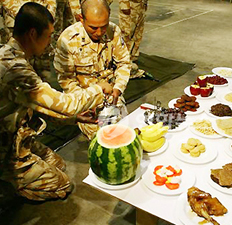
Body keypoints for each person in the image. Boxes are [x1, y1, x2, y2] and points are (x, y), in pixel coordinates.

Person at [0, 2, 112, 201]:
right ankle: (9, 180)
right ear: (33, 34)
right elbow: (66, 104)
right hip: (6, 143)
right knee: (61, 185)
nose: (50, 42)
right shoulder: (14, 69)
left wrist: (75, 119)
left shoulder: (13, 55)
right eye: (49, 35)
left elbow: (39, 105)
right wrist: (98, 88)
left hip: (17, 134)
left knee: (58, 164)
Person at [54, 0, 131, 140]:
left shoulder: (113, 31)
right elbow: (66, 80)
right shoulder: (68, 40)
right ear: (81, 19)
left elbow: (124, 63)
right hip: (85, 99)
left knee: (124, 133)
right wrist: (84, 102)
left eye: (104, 26)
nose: (99, 32)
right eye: (93, 28)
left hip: (111, 96)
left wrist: (118, 89)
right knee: (103, 138)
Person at [118, 0, 148, 78]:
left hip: (140, 5)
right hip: (130, 6)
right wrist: (124, 5)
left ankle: (133, 57)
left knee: (137, 33)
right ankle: (123, 61)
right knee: (127, 34)